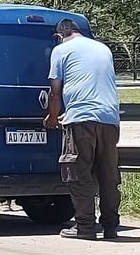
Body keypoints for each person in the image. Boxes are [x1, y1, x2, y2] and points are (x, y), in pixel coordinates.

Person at [43, 18, 121, 240]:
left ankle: (85, 227)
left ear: (60, 36)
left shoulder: (61, 50)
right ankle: (111, 226)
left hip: (81, 119)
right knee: (107, 174)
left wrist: (52, 117)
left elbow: (55, 92)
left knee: (78, 172)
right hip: (109, 119)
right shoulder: (103, 48)